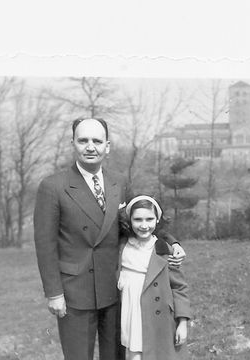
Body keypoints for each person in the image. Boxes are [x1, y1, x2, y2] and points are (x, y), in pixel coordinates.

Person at [33, 118, 185, 360]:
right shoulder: (53, 187)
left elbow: (141, 217)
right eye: (83, 140)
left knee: (115, 355)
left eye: (97, 141)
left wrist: (172, 242)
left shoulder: (119, 182)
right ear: (73, 143)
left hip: (115, 287)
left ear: (108, 146)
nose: (90, 147)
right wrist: (54, 293)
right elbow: (45, 245)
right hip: (75, 292)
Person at [118, 195, 191, 360]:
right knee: (133, 354)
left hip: (159, 315)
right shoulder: (122, 247)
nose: (144, 225)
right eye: (138, 220)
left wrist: (183, 322)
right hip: (131, 310)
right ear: (129, 220)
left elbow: (179, 287)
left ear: (157, 220)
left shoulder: (164, 249)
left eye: (149, 219)